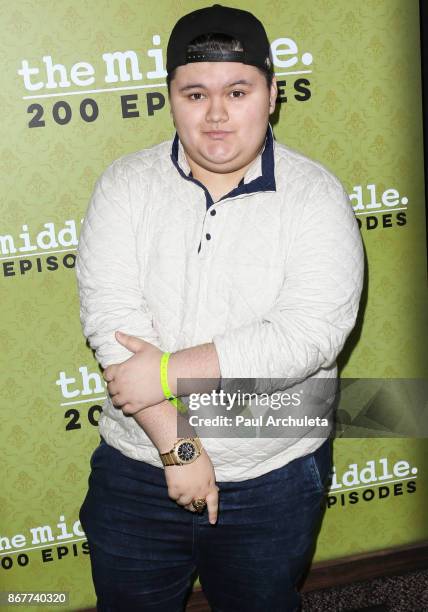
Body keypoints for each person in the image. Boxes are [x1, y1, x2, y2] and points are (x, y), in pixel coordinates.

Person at [76, 4, 364, 611]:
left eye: (238, 90)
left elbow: (307, 336)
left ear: (272, 94)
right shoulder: (125, 184)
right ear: (171, 97)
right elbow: (113, 326)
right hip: (139, 462)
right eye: (195, 92)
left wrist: (162, 372)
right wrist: (180, 446)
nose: (215, 115)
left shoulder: (316, 196)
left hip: (273, 465)